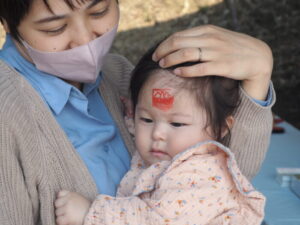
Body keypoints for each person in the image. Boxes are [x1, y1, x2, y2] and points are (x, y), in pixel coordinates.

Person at [0, 0, 274, 224]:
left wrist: (257, 79)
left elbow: (212, 181)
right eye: (55, 28)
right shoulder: (7, 112)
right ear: (9, 25)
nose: (85, 40)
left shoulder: (117, 73)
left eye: (99, 11)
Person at [54, 45, 266, 225]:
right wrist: (131, 113)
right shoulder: (172, 149)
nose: (157, 134)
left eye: (177, 123)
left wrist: (91, 212)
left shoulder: (199, 173)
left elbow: (155, 220)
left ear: (220, 128)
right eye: (147, 119)